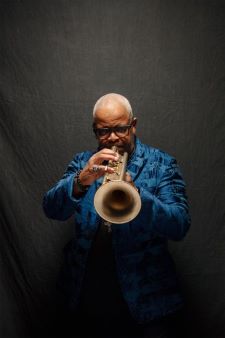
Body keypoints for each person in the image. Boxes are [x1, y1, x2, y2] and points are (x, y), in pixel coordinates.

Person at [43, 93, 191, 337]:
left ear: (133, 125)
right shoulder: (84, 162)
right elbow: (51, 209)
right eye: (103, 131)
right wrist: (81, 180)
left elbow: (179, 225)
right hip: (86, 296)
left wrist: (137, 195)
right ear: (95, 131)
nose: (112, 138)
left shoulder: (162, 164)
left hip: (146, 302)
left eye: (120, 129)